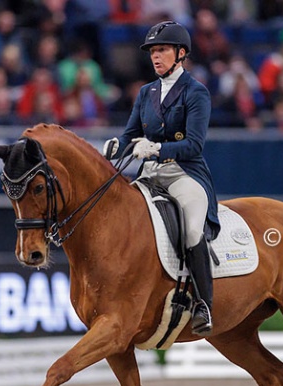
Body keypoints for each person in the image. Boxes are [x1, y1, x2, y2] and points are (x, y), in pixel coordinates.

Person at [102, 21, 219, 336]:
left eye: (162, 50)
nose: (156, 57)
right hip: (150, 176)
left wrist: (155, 148)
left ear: (180, 53)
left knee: (193, 228)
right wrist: (117, 146)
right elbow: (130, 136)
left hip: (184, 174)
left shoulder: (196, 92)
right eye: (153, 51)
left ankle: (203, 304)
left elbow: (194, 144)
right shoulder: (145, 92)